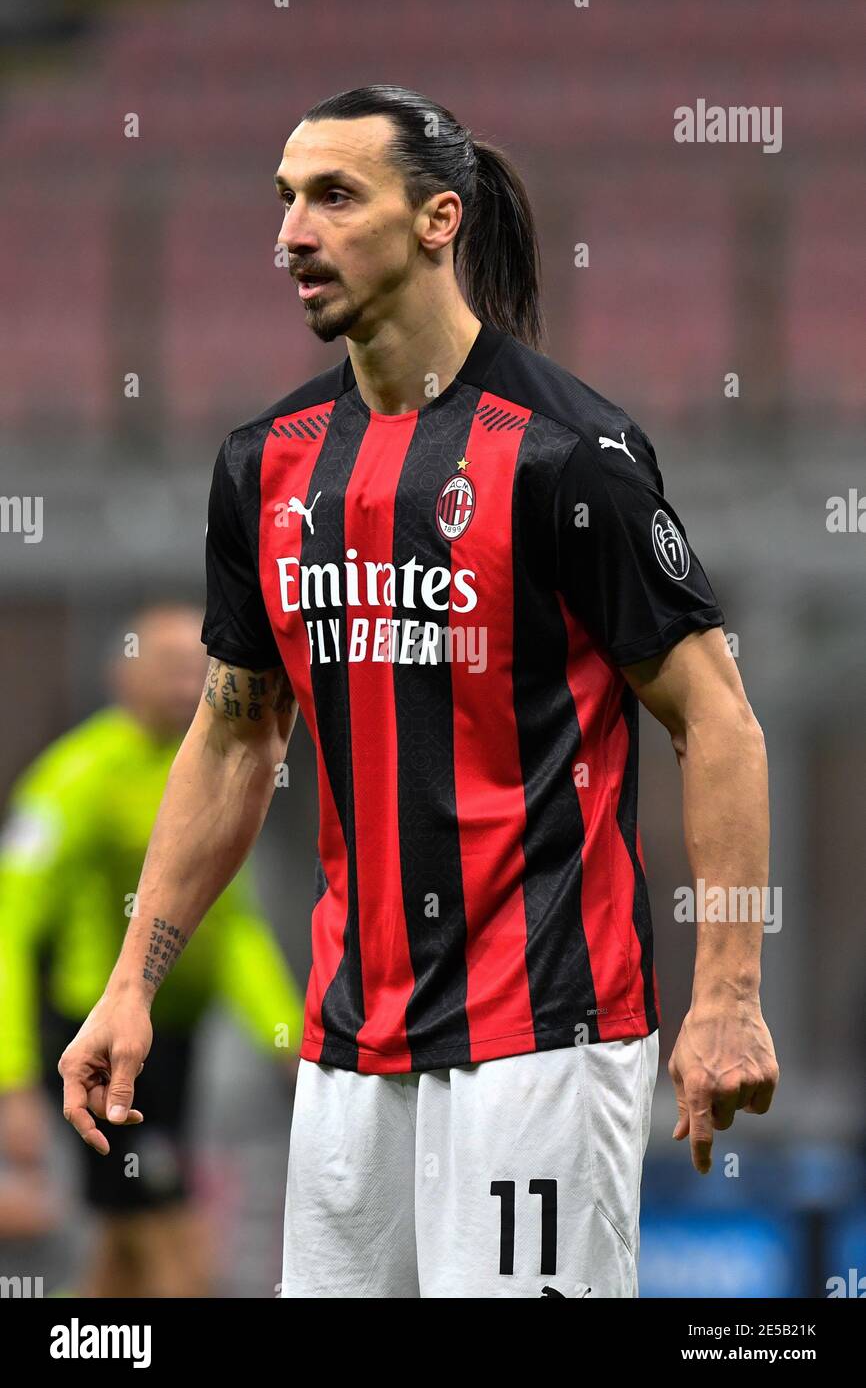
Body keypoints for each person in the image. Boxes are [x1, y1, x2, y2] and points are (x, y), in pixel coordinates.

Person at [58, 86, 779, 1299]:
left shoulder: (569, 457)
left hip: (542, 1032)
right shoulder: (266, 464)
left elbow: (716, 720)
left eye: (334, 197)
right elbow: (236, 739)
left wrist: (726, 997)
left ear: (439, 219)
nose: (292, 233)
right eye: (285, 199)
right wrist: (131, 981)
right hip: (349, 1045)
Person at [0, 601, 305, 1296]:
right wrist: (11, 1077)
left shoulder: (213, 776)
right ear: (122, 674)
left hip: (178, 1039)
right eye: (167, 665)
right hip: (99, 1046)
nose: (186, 682)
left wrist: (286, 1035)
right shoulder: (76, 777)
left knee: (122, 1244)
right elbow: (9, 925)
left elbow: (234, 930)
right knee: (172, 1235)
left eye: (198, 667)